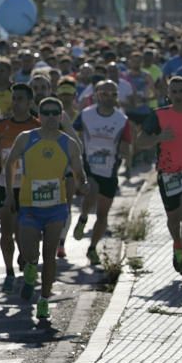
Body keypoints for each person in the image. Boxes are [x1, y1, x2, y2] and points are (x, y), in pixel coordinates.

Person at [3, 97, 86, 320]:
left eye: (54, 113)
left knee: (50, 255)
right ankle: (30, 268)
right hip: (29, 205)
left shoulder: (68, 142)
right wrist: (10, 193)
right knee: (30, 252)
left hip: (56, 207)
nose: (50, 117)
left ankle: (44, 300)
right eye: (45, 113)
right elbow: (10, 162)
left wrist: (82, 181)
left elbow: (79, 170)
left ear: (60, 116)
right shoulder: (26, 138)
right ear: (39, 116)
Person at [138, 76, 182, 277]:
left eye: (181, 91)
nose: (178, 95)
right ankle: (177, 244)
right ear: (168, 94)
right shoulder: (158, 116)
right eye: (174, 91)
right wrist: (159, 137)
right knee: (173, 217)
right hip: (167, 171)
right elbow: (141, 141)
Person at [72, 80, 133, 265]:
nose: (109, 98)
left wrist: (126, 156)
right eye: (105, 94)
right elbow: (72, 134)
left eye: (113, 94)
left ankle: (92, 248)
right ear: (97, 94)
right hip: (89, 165)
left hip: (110, 169)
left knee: (103, 214)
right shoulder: (86, 114)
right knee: (92, 188)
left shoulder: (122, 120)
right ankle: (83, 218)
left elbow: (127, 144)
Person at [0, 84, 41, 292]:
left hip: (30, 185)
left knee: (27, 230)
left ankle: (27, 260)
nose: (16, 102)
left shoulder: (37, 126)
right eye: (14, 98)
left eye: (20, 99)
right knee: (6, 231)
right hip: (7, 184)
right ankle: (9, 272)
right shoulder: (2, 125)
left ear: (30, 102)